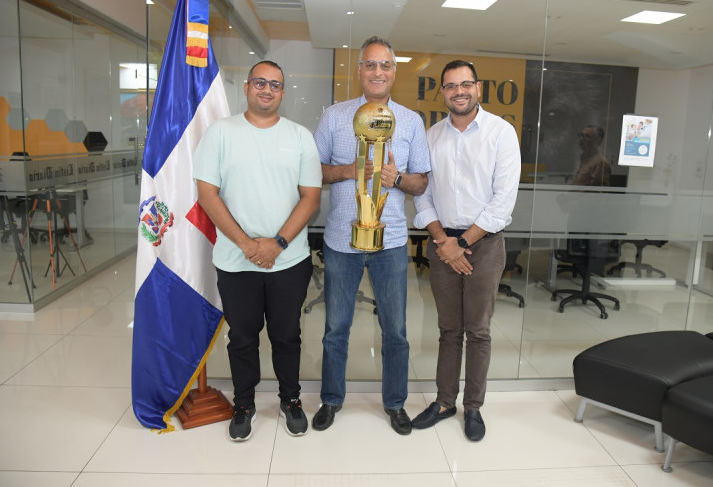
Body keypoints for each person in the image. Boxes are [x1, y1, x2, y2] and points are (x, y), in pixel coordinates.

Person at [193, 60, 322, 441]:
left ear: (283, 92)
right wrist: (249, 245)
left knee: (287, 336)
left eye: (276, 85)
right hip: (236, 261)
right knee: (243, 338)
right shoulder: (220, 133)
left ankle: (290, 400)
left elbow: (310, 197)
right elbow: (207, 194)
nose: (267, 90)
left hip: (289, 260)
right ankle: (245, 404)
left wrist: (277, 243)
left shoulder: (300, 137)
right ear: (247, 86)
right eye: (261, 83)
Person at [312, 36, 430, 435]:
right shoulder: (333, 116)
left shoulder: (412, 121)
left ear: (394, 71)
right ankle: (331, 399)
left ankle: (395, 404)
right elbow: (315, 172)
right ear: (359, 70)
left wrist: (396, 177)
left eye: (385, 65)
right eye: (370, 65)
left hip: (392, 242)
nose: (378, 72)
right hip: (342, 242)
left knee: (395, 330)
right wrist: (351, 169)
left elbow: (421, 184)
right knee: (336, 329)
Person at [411, 60, 521, 442]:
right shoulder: (431, 136)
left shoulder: (501, 133)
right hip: (443, 244)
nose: (459, 91)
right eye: (450, 85)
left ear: (477, 88)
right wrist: (444, 240)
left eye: (465, 84)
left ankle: (473, 406)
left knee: (478, 330)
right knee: (448, 330)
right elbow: (422, 195)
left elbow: (502, 201)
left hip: (484, 244)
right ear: (442, 92)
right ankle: (444, 402)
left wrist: (461, 243)